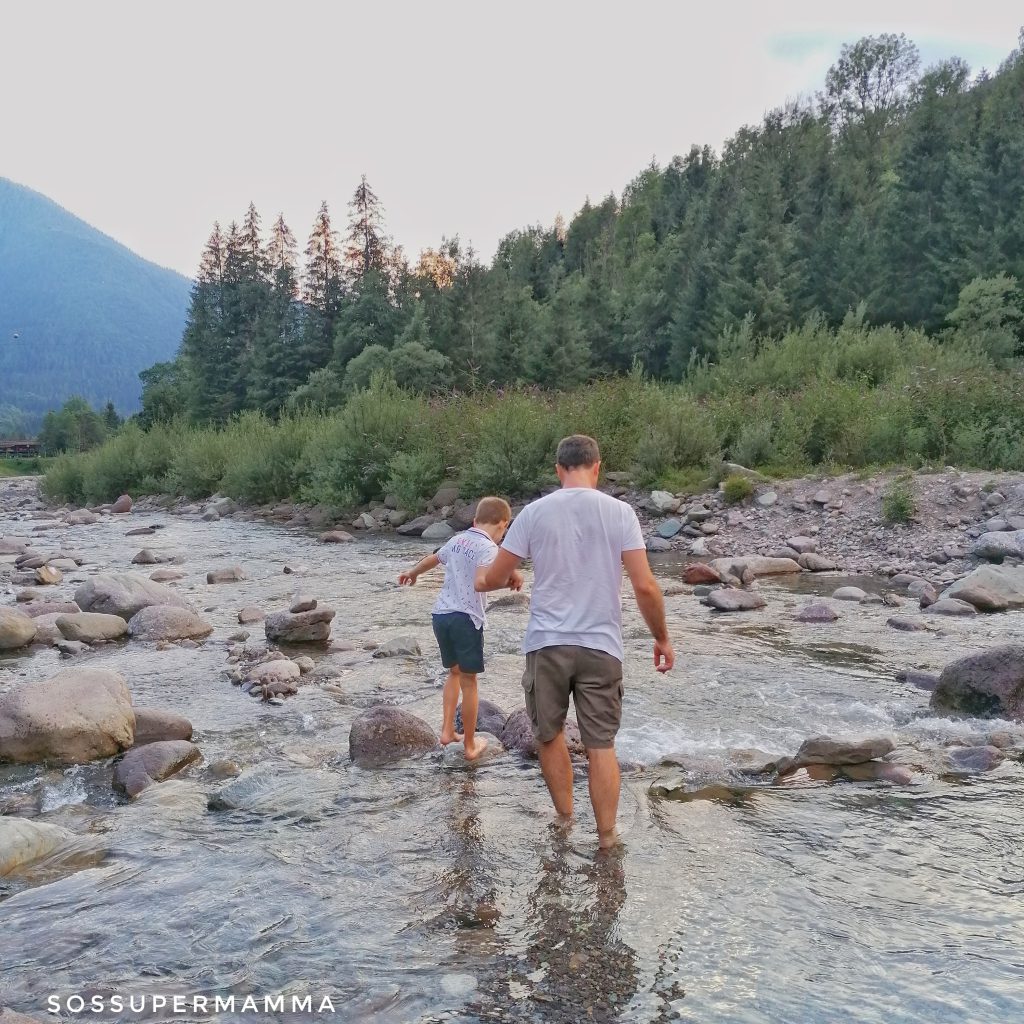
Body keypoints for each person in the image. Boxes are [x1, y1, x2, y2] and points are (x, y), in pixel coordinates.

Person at [475, 435, 673, 847]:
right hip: (602, 645)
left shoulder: (533, 513)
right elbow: (646, 586)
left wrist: (484, 579)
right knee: (601, 744)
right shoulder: (620, 513)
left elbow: (495, 577)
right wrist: (661, 638)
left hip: (547, 643)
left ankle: (564, 822)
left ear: (558, 469)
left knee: (549, 737)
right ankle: (606, 838)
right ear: (597, 466)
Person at [399, 496, 522, 760]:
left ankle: (446, 731)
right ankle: (469, 745)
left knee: (453, 673)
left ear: (475, 520)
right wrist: (507, 584)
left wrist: (413, 573)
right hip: (465, 618)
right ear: (504, 524)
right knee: (470, 682)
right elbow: (481, 583)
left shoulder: (458, 539)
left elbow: (433, 559)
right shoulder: (488, 548)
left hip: (441, 615)